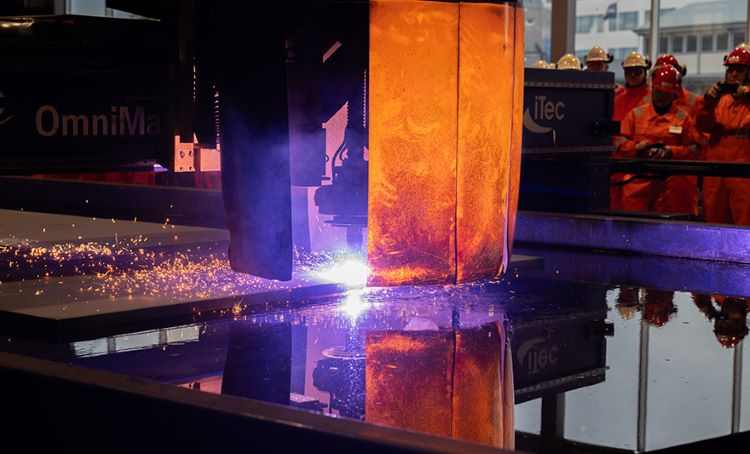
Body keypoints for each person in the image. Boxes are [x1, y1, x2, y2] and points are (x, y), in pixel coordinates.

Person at [616, 65, 701, 212]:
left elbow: (694, 149)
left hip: (669, 187)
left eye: (666, 94)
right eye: (659, 92)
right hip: (637, 184)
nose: (662, 97)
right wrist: (635, 147)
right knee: (634, 228)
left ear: (674, 93)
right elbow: (618, 141)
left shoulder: (683, 118)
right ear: (653, 88)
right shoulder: (636, 114)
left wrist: (671, 152)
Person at [695, 46, 750, 225]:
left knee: (744, 230)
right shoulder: (718, 102)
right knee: (713, 228)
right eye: (731, 69)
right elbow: (702, 126)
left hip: (744, 179)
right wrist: (708, 103)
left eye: (740, 70)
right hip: (715, 178)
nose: (734, 74)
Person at [611, 51, 652, 209]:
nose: (632, 75)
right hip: (618, 165)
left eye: (637, 71)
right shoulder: (618, 100)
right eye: (629, 72)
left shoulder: (652, 99)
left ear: (645, 72)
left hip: (641, 169)